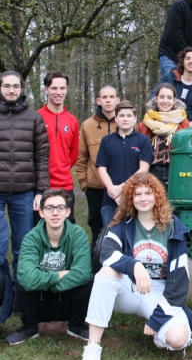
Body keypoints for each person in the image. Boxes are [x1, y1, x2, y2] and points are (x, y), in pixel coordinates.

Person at [79, 173, 192, 360]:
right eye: (137, 194)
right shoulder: (121, 225)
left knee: (177, 339)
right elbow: (106, 254)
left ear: (157, 196)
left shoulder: (173, 226)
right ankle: (92, 347)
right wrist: (134, 265)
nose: (143, 198)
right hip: (128, 288)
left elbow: (179, 279)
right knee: (107, 272)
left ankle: (160, 332)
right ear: (130, 199)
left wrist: (157, 319)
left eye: (148, 193)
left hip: (159, 291)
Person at [5, 189, 93, 345]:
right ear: (41, 213)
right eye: (49, 208)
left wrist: (45, 281)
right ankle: (30, 327)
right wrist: (58, 276)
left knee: (88, 282)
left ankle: (76, 325)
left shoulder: (77, 234)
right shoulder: (31, 238)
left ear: (67, 212)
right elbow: (27, 278)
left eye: (60, 208)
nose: (55, 213)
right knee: (23, 282)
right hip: (39, 301)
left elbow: (83, 273)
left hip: (67, 299)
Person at [0, 71, 49, 284]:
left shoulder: (33, 118)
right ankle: (3, 293)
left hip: (24, 193)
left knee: (23, 246)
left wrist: (40, 191)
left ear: (22, 89)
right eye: (6, 86)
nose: (11, 90)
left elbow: (42, 157)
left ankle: (21, 296)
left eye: (15, 86)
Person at [75, 86, 120, 248]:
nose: (108, 100)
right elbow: (81, 157)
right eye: (105, 97)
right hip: (95, 188)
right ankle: (96, 266)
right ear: (98, 101)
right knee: (97, 228)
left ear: (117, 100)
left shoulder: (126, 122)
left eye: (112, 97)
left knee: (120, 227)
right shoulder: (88, 125)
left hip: (120, 188)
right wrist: (84, 183)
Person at [96, 101, 153, 227]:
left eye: (129, 116)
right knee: (110, 238)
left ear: (135, 118)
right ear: (116, 118)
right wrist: (112, 191)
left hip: (136, 199)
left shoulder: (144, 140)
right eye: (121, 116)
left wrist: (121, 189)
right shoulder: (106, 141)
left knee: (134, 239)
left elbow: (143, 169)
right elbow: (101, 168)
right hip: (110, 200)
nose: (125, 119)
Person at [37, 71, 79, 224]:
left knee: (67, 229)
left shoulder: (72, 121)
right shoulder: (36, 117)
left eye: (63, 88)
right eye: (54, 88)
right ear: (46, 89)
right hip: (41, 186)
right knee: (41, 230)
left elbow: (73, 155)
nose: (59, 92)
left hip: (65, 186)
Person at [138, 83, 190, 189]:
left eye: (169, 97)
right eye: (162, 97)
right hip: (151, 171)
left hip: (176, 171)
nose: (165, 101)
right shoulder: (145, 123)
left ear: (174, 100)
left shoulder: (183, 123)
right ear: (156, 99)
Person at [153, 47, 192, 126]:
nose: (191, 61)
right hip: (165, 121)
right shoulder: (168, 79)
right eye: (188, 58)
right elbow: (154, 97)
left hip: (191, 126)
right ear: (182, 62)